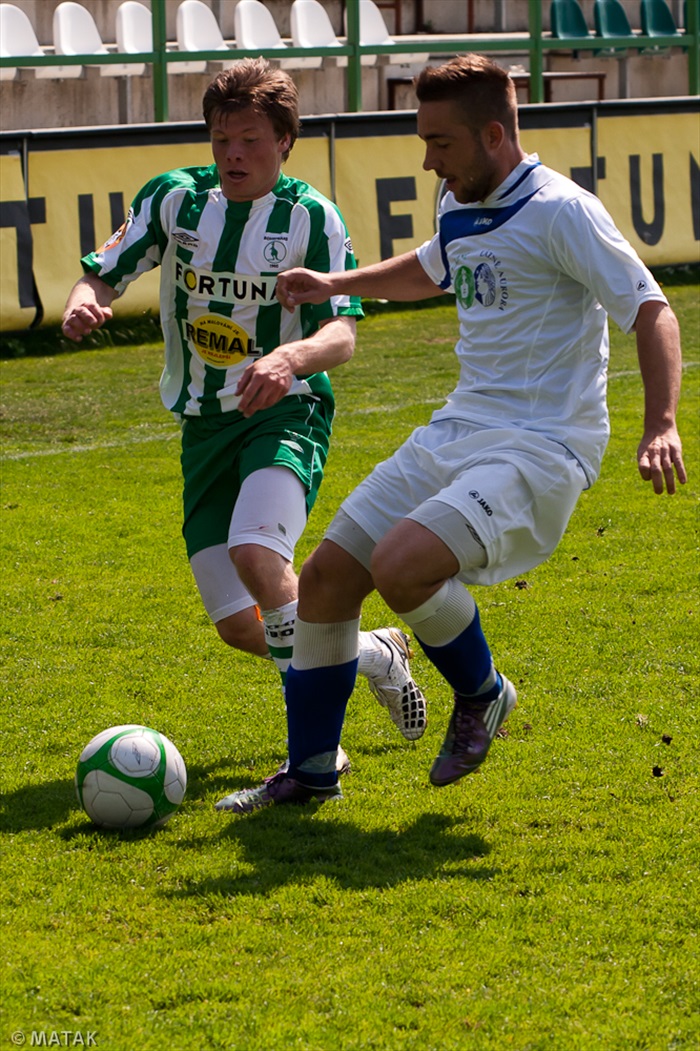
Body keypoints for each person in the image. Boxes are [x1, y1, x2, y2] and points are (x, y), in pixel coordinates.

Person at [219, 53, 687, 814]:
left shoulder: (562, 211)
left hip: (541, 444)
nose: (427, 158)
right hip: (462, 426)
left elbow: (650, 309)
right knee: (330, 580)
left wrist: (660, 423)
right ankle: (309, 775)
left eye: (440, 142)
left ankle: (483, 692)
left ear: (494, 134)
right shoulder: (459, 197)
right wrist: (338, 283)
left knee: (403, 566)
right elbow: (436, 267)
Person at [61, 59, 428, 790]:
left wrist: (290, 358)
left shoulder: (311, 218)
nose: (233, 154)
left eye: (251, 140)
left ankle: (314, 751)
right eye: (222, 138)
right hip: (202, 423)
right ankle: (372, 654)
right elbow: (105, 267)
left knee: (260, 556)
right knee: (236, 622)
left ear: (285, 142)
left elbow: (342, 335)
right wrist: (83, 300)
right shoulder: (174, 199)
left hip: (285, 411)